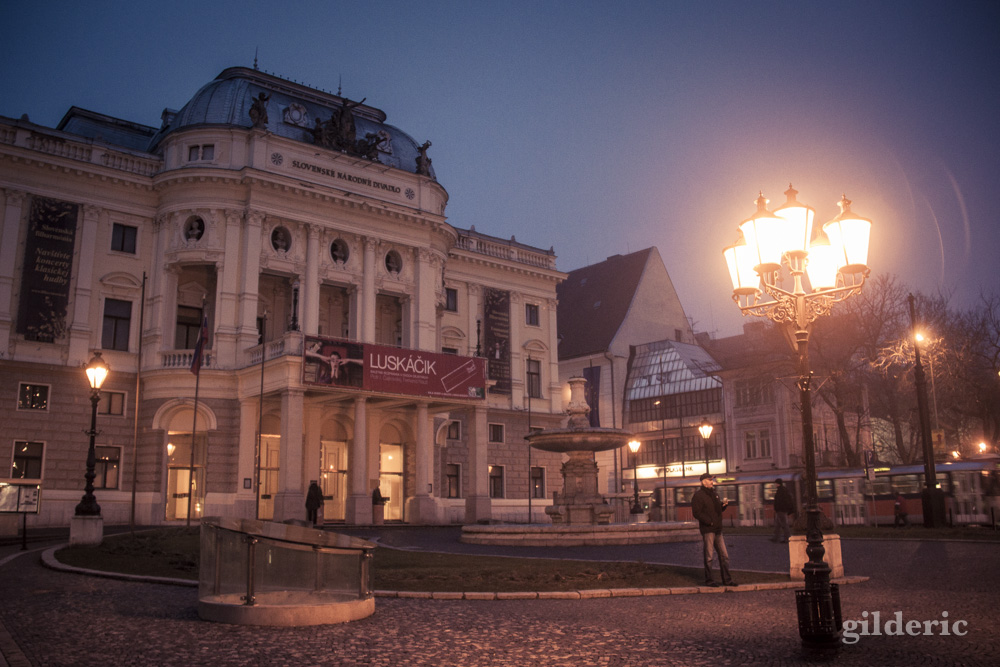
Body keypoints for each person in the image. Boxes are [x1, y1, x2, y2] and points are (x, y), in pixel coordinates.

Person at [691, 472, 736, 587]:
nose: (712, 482)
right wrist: (709, 522)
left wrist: (723, 506)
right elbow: (696, 513)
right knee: (709, 556)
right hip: (708, 529)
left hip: (717, 529)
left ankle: (727, 580)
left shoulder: (714, 494)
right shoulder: (698, 496)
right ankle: (709, 580)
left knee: (724, 556)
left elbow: (717, 510)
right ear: (703, 482)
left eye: (712, 480)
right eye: (710, 480)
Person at [771, 478, 795, 543]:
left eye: (776, 483)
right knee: (778, 525)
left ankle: (787, 538)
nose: (775, 484)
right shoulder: (784, 490)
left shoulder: (780, 491)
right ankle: (776, 537)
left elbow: (779, 501)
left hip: (780, 510)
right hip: (782, 510)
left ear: (777, 483)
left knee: (784, 524)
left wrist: (777, 508)